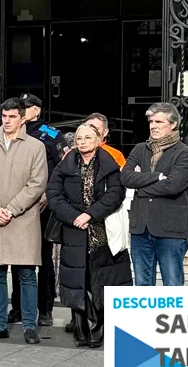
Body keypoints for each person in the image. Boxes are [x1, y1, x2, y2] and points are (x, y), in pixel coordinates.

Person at [47, 123, 130, 348]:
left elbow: (116, 194)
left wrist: (90, 215)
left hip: (100, 230)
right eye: (79, 138)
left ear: (98, 140)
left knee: (98, 280)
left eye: (88, 138)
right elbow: (54, 194)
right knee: (77, 280)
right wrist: (74, 216)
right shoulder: (66, 164)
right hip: (73, 230)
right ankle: (80, 329)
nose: (82, 142)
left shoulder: (108, 163)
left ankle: (98, 328)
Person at [0, 98, 48, 345]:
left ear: (22, 118)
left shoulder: (36, 147)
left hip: (24, 220)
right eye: (4, 116)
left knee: (27, 274)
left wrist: (12, 209)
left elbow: (37, 184)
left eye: (12, 116)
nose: (6, 121)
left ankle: (29, 326)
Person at [122, 102, 188, 287]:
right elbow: (126, 177)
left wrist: (140, 185)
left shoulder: (185, 153)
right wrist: (157, 177)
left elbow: (173, 186)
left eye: (159, 122)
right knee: (142, 284)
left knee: (172, 284)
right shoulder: (140, 149)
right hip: (141, 227)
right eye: (151, 122)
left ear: (173, 124)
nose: (153, 126)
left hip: (171, 228)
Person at [15, 93, 66, 327]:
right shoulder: (14, 131)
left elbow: (61, 167)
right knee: (17, 257)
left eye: (26, 107)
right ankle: (18, 307)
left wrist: (48, 193)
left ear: (36, 110)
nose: (22, 111)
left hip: (42, 204)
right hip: (19, 203)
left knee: (44, 257)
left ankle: (45, 308)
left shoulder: (51, 134)